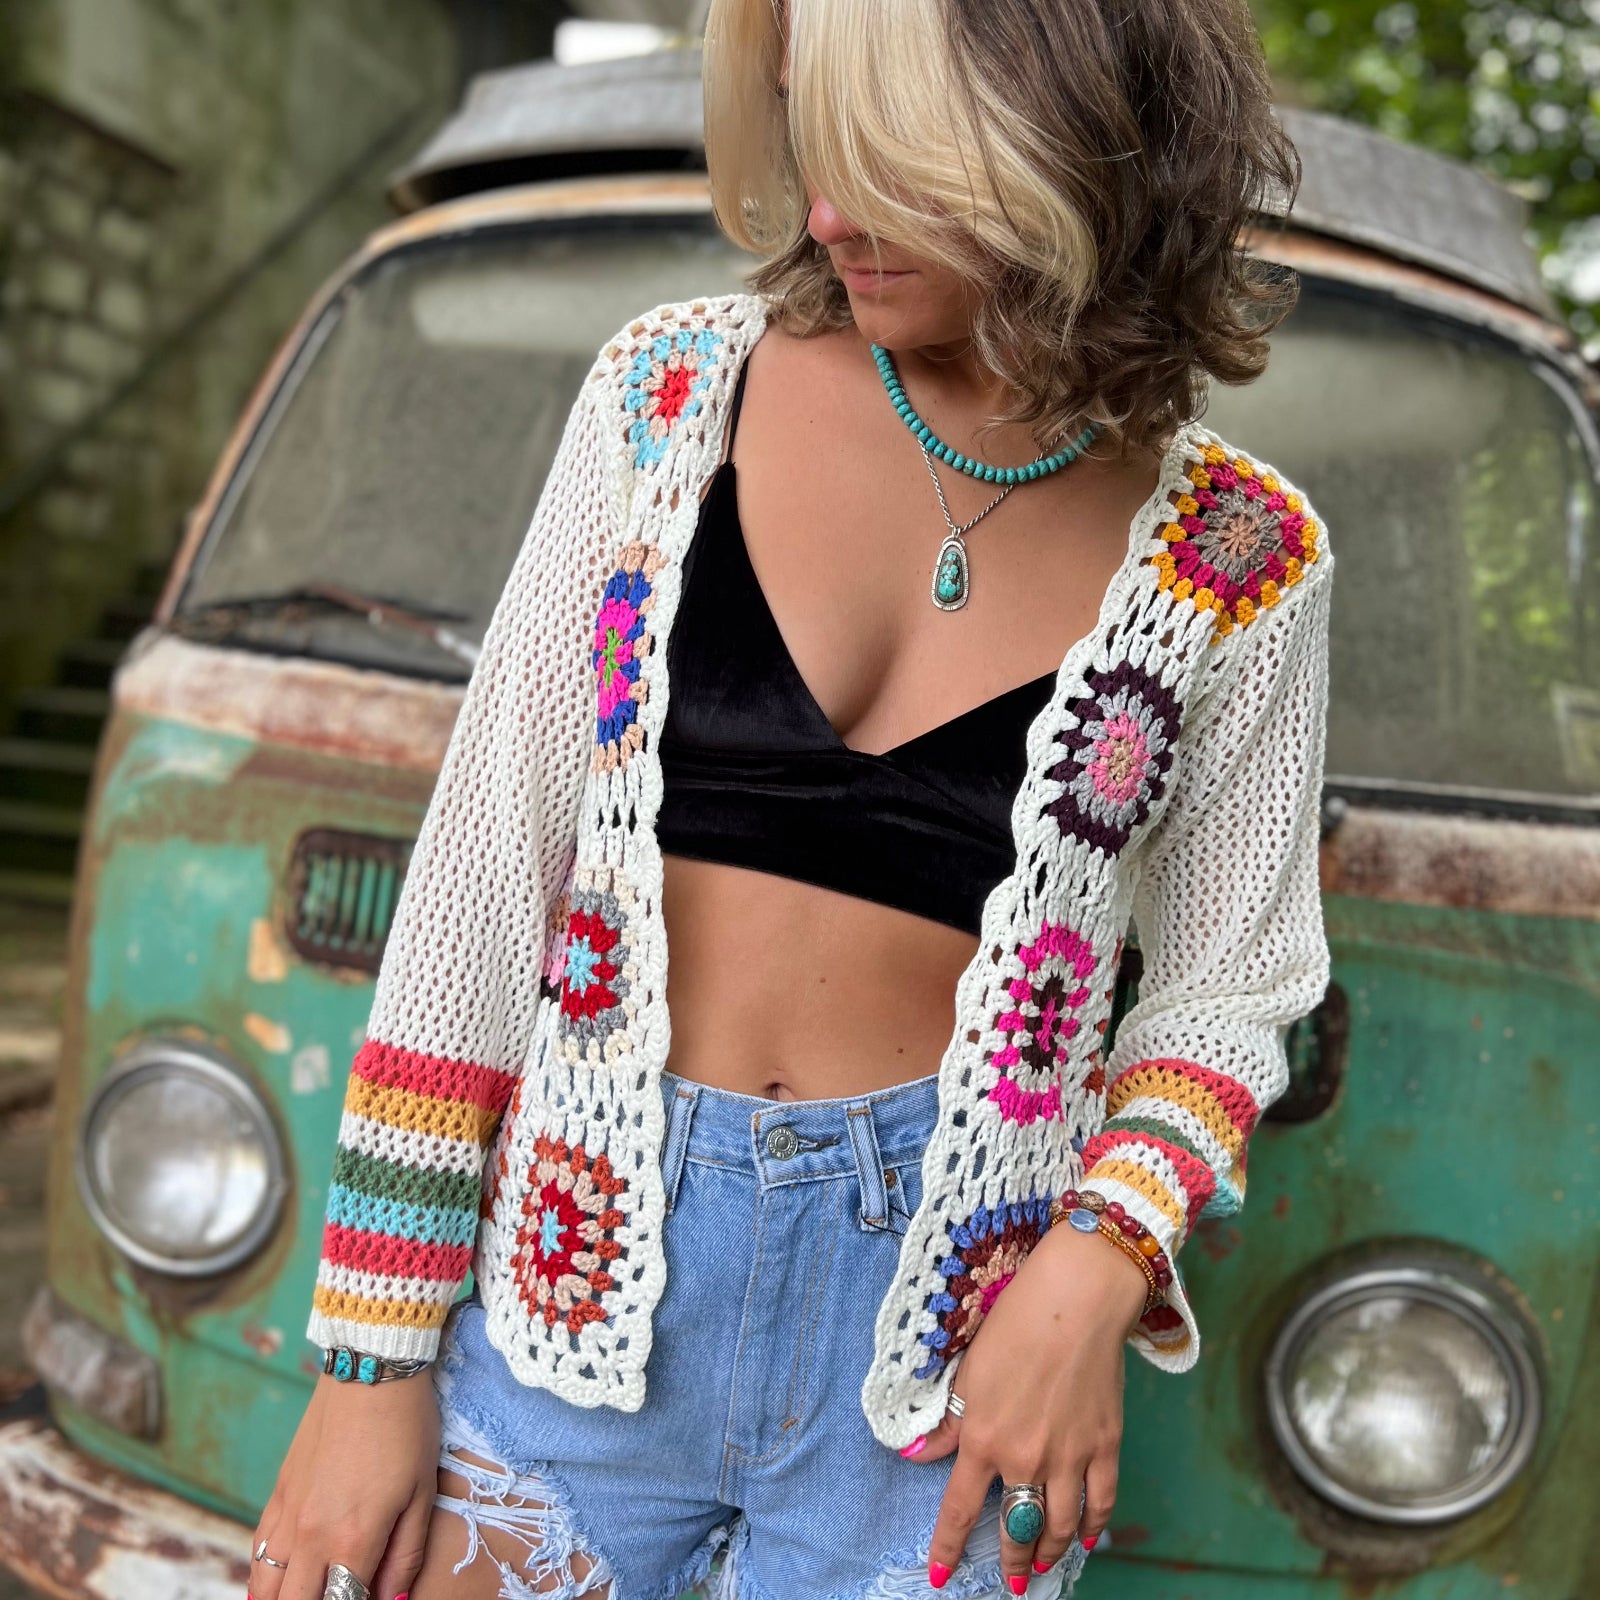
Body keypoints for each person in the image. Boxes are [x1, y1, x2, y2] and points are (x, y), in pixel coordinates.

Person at [251, 0, 1332, 1597]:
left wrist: (1097, 1264)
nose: (826, 214)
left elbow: (1233, 990)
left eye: (889, 159)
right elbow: (482, 881)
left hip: (951, 1356)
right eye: (814, 139)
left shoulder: (1241, 559)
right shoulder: (669, 393)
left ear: (1066, 147)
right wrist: (371, 1358)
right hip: (574, 1272)